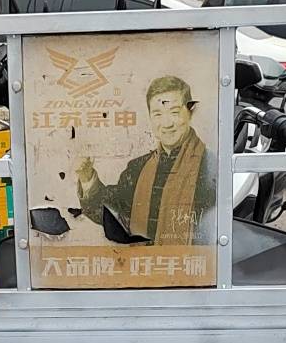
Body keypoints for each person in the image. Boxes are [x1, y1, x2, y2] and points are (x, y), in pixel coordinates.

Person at [76, 74, 216, 246]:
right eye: (157, 114)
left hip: (192, 262)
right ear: (150, 117)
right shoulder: (137, 168)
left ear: (190, 113)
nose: (166, 123)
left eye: (174, 112)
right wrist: (87, 179)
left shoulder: (211, 167)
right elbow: (112, 214)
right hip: (143, 261)